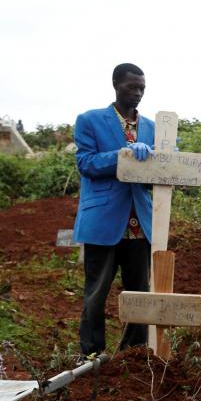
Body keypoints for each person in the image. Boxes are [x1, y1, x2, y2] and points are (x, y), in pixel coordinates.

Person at [72, 63, 154, 355]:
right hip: (103, 222)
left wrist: (161, 159)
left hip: (139, 223)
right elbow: (86, 164)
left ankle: (134, 352)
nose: (138, 93)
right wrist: (122, 156)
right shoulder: (90, 120)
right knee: (97, 293)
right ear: (116, 84)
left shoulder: (152, 128)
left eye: (142, 87)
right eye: (132, 86)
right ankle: (92, 354)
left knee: (140, 294)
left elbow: (167, 164)